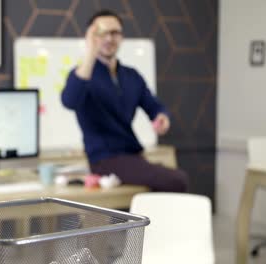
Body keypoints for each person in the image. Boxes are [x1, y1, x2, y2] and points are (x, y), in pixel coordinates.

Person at [61, 10, 188, 192]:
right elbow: (70, 101)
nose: (109, 38)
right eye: (102, 32)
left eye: (114, 33)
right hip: (104, 160)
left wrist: (161, 116)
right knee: (178, 179)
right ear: (91, 36)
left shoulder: (131, 76)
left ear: (121, 37)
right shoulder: (83, 75)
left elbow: (153, 105)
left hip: (133, 156)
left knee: (167, 182)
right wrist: (90, 52)